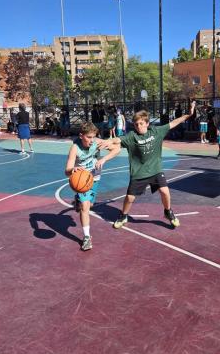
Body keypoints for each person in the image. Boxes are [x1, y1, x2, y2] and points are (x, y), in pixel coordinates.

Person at [100, 101, 196, 229]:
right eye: (136, 124)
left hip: (155, 170)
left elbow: (174, 123)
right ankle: (123, 215)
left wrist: (188, 114)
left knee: (165, 191)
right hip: (139, 172)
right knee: (129, 198)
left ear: (147, 123)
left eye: (141, 123)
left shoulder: (157, 132)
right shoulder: (132, 136)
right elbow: (119, 139)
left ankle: (168, 212)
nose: (138, 126)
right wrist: (109, 140)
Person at [65, 122, 119, 251]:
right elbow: (66, 171)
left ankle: (78, 200)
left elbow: (117, 149)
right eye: (89, 137)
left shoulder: (97, 142)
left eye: (93, 137)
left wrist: (104, 159)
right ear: (81, 135)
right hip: (82, 179)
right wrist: (73, 169)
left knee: (91, 205)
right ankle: (87, 237)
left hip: (94, 178)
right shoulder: (75, 148)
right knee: (85, 207)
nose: (91, 140)